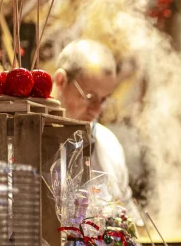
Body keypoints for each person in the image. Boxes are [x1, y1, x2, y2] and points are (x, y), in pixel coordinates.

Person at [52, 39, 141, 222]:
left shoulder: (109, 143)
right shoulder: (29, 137)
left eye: (104, 99)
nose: (97, 110)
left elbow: (126, 212)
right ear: (61, 81)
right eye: (89, 97)